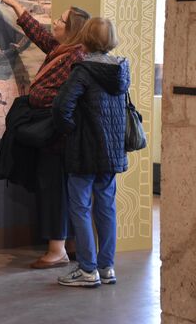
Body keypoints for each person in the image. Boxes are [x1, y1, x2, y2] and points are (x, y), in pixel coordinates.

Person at [0, 0, 91, 269]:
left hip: (56, 135)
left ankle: (57, 249)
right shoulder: (65, 50)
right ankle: (70, 245)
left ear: (73, 30)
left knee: (54, 189)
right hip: (56, 133)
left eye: (61, 21)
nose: (55, 23)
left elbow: (63, 98)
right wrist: (15, 5)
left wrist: (38, 100)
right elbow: (40, 35)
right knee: (61, 188)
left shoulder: (76, 58)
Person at [53, 18, 129, 287]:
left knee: (81, 207)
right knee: (106, 207)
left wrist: (70, 130)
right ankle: (106, 267)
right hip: (111, 151)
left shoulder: (82, 71)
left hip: (84, 150)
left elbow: (61, 108)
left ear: (85, 38)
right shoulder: (121, 69)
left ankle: (87, 270)